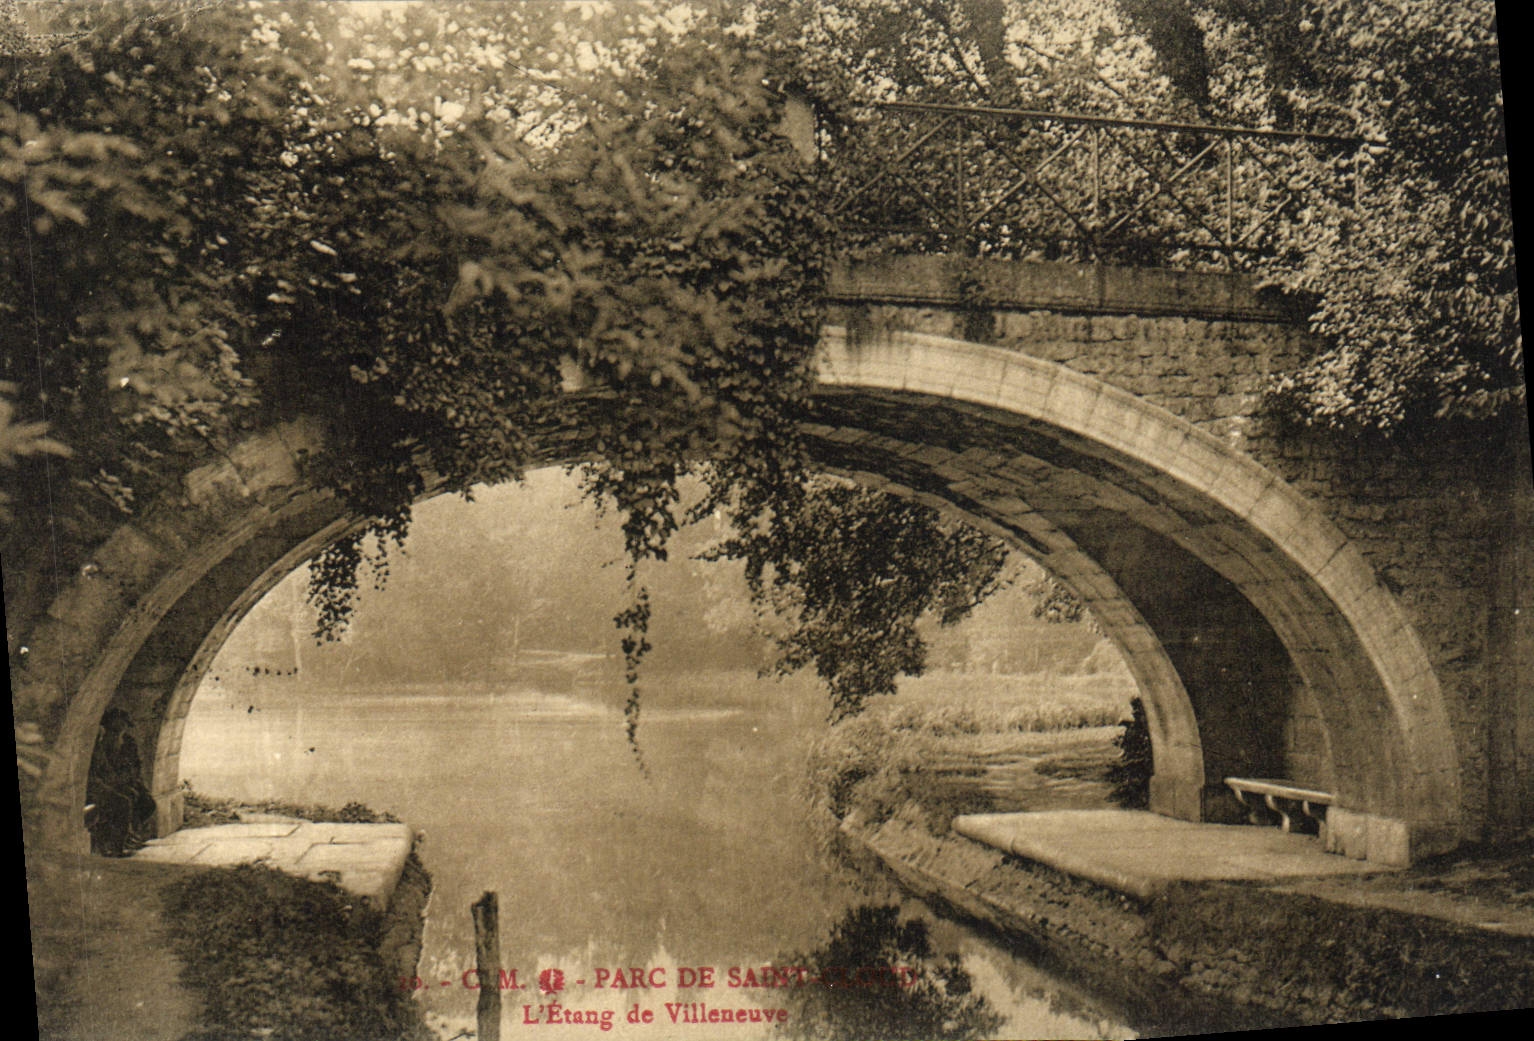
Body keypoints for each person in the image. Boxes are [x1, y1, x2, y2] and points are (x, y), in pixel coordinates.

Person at [85, 708, 156, 857]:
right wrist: (118, 784)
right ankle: (116, 846)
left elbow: (134, 766)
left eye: (122, 727)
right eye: (116, 729)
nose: (120, 731)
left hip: (121, 782)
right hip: (103, 787)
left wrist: (133, 781)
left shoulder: (128, 742)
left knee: (147, 802)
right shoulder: (100, 745)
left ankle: (131, 834)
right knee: (124, 801)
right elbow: (101, 773)